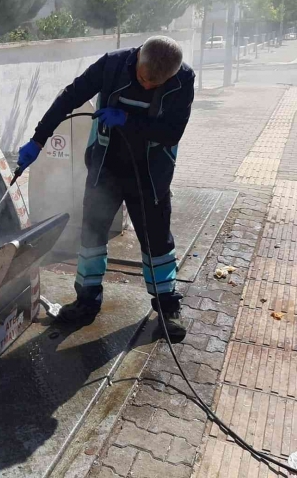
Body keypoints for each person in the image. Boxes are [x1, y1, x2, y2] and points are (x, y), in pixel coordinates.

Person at [17, 36, 195, 342]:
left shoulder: (183, 79)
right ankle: (87, 300)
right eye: (143, 80)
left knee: (156, 239)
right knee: (92, 235)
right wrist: (38, 139)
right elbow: (70, 97)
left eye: (157, 84)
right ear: (138, 59)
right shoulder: (112, 65)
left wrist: (126, 119)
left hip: (151, 172)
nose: (150, 87)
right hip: (107, 168)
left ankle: (167, 307)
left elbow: (171, 132)